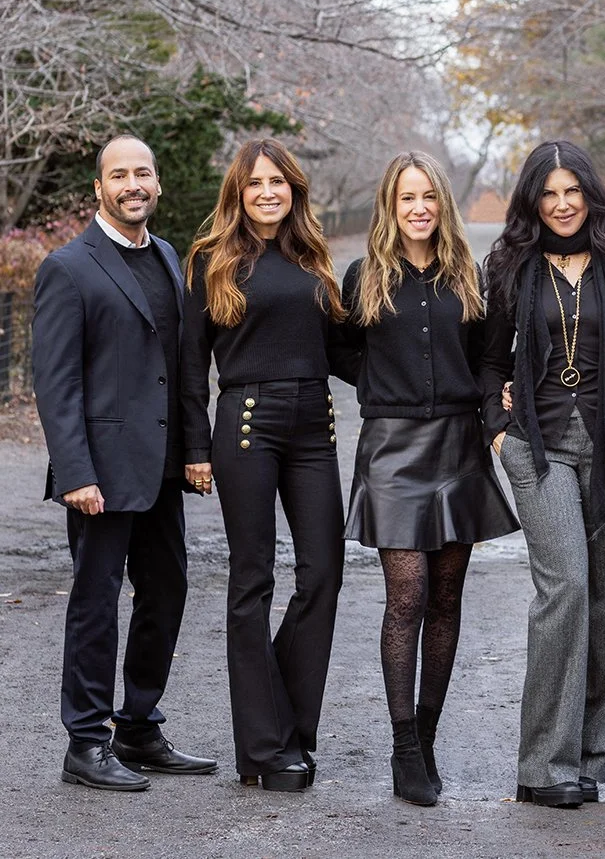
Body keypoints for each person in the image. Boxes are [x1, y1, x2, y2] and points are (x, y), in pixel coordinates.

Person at [331, 152, 517, 807]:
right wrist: (384, 385)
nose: (418, 208)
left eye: (428, 197)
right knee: (405, 597)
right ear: (391, 204)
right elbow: (341, 346)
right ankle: (403, 745)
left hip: (459, 446)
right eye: (407, 197)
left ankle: (430, 737)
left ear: (441, 204)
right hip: (391, 449)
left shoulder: (466, 275)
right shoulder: (364, 276)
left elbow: (487, 354)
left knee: (445, 599)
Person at [481, 140, 605, 809]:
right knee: (567, 589)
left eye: (572, 191)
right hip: (540, 443)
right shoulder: (509, 265)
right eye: (548, 193)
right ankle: (542, 765)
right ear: (533, 199)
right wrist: (497, 428)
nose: (561, 204)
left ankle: (590, 758)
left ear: (590, 193)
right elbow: (490, 359)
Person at [32, 135, 217, 791]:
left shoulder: (167, 256)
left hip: (163, 467)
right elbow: (54, 383)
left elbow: (184, 362)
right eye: (119, 174)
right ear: (99, 189)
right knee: (95, 603)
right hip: (100, 476)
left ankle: (139, 726)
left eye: (143, 172)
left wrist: (196, 449)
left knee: (167, 593)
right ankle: (85, 741)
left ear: (157, 184)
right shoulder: (69, 266)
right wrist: (76, 471)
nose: (133, 183)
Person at [181, 138, 347, 791]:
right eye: (255, 184)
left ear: (294, 188)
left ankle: (287, 730)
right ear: (238, 193)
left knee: (323, 573)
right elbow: (190, 362)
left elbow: (340, 351)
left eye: (278, 181)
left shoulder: (312, 257)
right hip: (246, 422)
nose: (268, 192)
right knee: (252, 581)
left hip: (315, 424)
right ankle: (263, 749)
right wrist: (195, 447)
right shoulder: (210, 260)